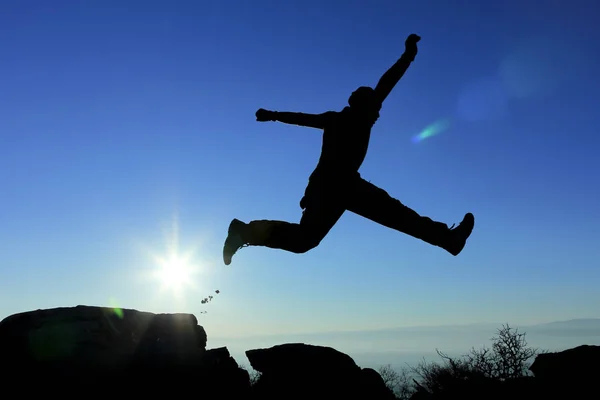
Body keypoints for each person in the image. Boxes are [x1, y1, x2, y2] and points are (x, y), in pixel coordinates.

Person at [222, 34, 474, 266]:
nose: (377, 113)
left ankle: (244, 231)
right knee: (397, 216)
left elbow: (304, 118)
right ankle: (448, 239)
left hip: (330, 186)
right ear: (364, 104)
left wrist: (273, 115)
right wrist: (408, 55)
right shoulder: (352, 118)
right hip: (341, 185)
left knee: (304, 240)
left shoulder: (338, 118)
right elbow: (387, 82)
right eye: (374, 105)